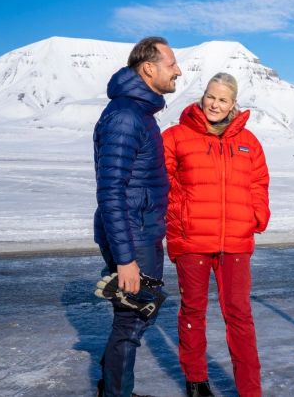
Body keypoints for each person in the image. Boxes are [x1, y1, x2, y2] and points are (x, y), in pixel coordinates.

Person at [163, 72, 270, 397]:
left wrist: (255, 217)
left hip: (235, 242)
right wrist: (178, 215)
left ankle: (250, 390)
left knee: (239, 315)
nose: (214, 104)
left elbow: (259, 183)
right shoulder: (177, 136)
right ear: (203, 95)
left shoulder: (248, 142)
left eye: (223, 99)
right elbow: (160, 181)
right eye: (211, 96)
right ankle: (196, 382)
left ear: (233, 104)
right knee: (193, 311)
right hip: (193, 240)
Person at [93, 36, 181, 397]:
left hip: (140, 230)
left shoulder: (138, 113)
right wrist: (126, 259)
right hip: (133, 234)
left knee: (134, 314)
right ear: (148, 68)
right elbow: (111, 190)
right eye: (171, 63)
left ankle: (112, 389)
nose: (178, 70)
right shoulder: (127, 116)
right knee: (132, 319)